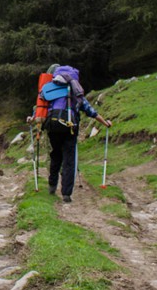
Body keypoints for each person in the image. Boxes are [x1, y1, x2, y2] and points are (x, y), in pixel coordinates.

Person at [38, 65, 111, 203]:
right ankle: (66, 194)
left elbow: (42, 107)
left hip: (52, 127)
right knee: (69, 160)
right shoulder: (75, 90)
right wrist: (105, 123)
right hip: (70, 128)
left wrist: (33, 119)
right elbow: (91, 111)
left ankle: (52, 186)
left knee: (55, 156)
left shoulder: (50, 88)